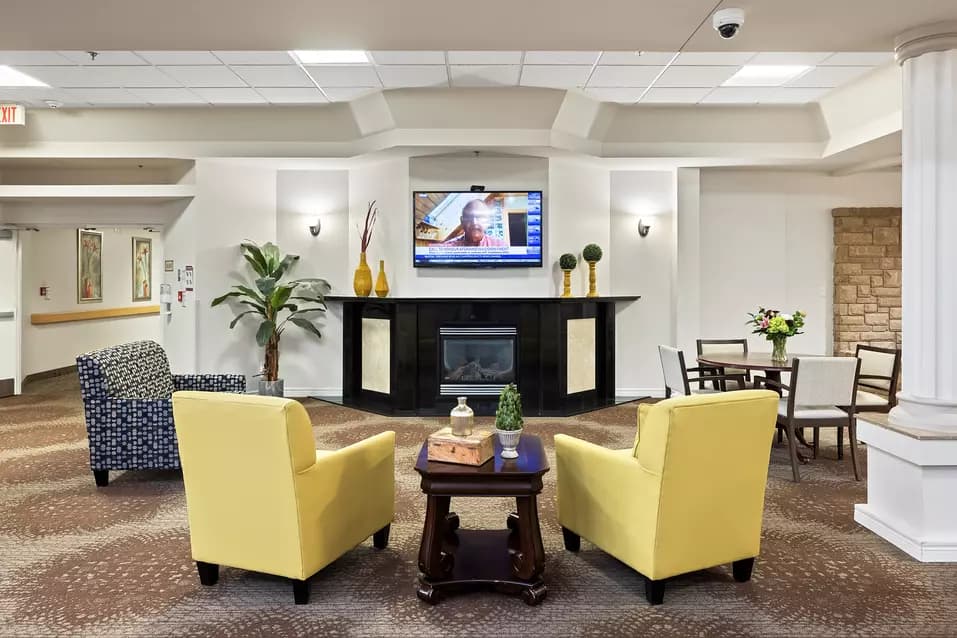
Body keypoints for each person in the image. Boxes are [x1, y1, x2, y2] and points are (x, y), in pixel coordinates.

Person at [440, 199, 508, 247]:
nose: (474, 222)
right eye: (469, 217)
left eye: (479, 217)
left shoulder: (500, 246)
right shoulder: (447, 248)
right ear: (462, 221)